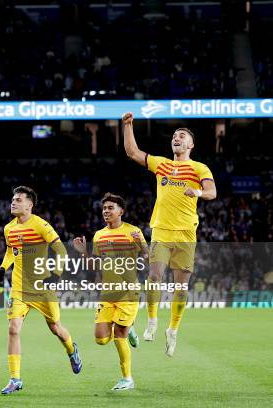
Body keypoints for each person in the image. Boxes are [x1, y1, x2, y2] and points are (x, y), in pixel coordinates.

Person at [122, 112, 216, 356]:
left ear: (191, 144)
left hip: (186, 233)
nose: (177, 137)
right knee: (154, 277)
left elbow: (212, 192)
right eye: (174, 135)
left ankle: (172, 330)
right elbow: (132, 152)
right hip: (161, 230)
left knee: (180, 288)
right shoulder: (162, 164)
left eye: (182, 136)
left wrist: (197, 192)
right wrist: (128, 126)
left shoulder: (199, 168)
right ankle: (152, 320)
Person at [0, 186, 82, 395]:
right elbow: (11, 250)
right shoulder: (9, 228)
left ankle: (71, 350)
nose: (13, 202)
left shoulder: (41, 225)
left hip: (43, 288)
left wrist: (56, 274)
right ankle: (15, 379)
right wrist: (3, 267)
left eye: (18, 200)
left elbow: (61, 250)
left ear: (29, 205)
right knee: (13, 329)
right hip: (19, 289)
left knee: (56, 328)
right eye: (12, 199)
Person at [73, 193, 146, 391]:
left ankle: (127, 378)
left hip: (128, 291)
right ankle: (130, 327)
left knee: (119, 336)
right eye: (104, 208)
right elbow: (94, 266)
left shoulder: (133, 231)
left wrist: (141, 246)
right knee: (101, 339)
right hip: (107, 293)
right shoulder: (99, 235)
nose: (106, 211)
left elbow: (148, 257)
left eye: (110, 208)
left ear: (121, 211)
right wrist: (83, 253)